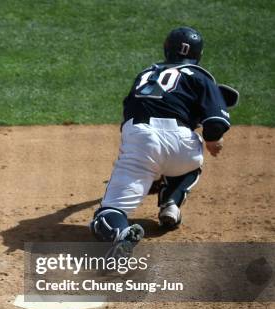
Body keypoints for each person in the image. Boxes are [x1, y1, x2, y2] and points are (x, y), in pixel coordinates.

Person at [90, 26, 238, 259]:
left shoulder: (145, 74)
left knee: (107, 214)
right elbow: (215, 123)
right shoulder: (200, 76)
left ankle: (120, 238)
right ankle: (171, 201)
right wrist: (212, 140)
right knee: (191, 160)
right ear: (198, 55)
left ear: (166, 49)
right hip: (182, 147)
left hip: (140, 139)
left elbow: (132, 109)